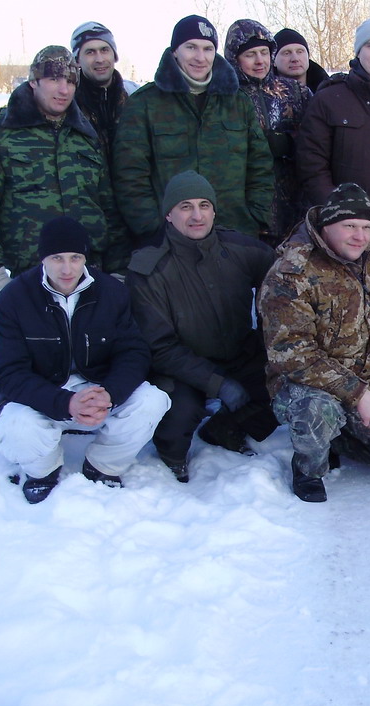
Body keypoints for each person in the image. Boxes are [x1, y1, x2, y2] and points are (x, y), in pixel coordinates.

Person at [258, 183, 370, 502]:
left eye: (366, 227)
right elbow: (293, 356)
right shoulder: (291, 274)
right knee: (317, 413)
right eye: (350, 226)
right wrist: (358, 395)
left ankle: (341, 436)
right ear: (327, 226)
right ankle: (308, 467)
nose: (360, 235)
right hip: (312, 386)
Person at [0, 216, 170, 504]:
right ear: (43, 258)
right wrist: (65, 402)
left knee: (153, 401)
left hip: (98, 391)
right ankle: (42, 471)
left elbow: (133, 352)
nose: (67, 268)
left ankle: (103, 466)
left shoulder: (111, 291)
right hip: (46, 395)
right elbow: (10, 372)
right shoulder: (15, 298)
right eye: (57, 258)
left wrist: (109, 393)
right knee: (16, 426)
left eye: (75, 257)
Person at [127, 172, 279, 483]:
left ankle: (226, 428)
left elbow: (284, 283)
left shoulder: (241, 249)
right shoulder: (149, 269)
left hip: (239, 353)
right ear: (169, 214)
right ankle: (171, 454)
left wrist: (270, 336)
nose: (197, 216)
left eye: (204, 205)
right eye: (185, 207)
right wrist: (218, 383)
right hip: (181, 365)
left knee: (287, 385)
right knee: (178, 411)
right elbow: (159, 347)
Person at [0, 45, 128, 307]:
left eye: (71, 81)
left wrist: (117, 271)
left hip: (91, 278)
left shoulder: (86, 138)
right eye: (54, 79)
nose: (64, 89)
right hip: (30, 282)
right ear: (34, 82)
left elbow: (109, 208)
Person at [113, 15, 274, 244]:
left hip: (233, 236)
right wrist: (151, 228)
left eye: (208, 49)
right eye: (191, 47)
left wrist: (254, 216)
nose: (200, 57)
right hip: (168, 241)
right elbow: (129, 175)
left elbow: (260, 166)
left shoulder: (237, 103)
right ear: (175, 51)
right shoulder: (144, 104)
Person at [296, 18, 370, 249]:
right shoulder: (330, 98)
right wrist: (335, 211)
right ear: (358, 51)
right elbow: (311, 164)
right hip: (346, 231)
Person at [225, 19, 311, 243]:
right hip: (247, 205)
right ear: (235, 58)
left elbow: (315, 138)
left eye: (264, 52)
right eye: (250, 54)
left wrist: (291, 143)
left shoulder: (294, 90)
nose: (260, 60)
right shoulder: (226, 96)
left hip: (294, 204)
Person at [70, 22, 138, 167]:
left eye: (105, 50)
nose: (99, 59)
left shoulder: (136, 97)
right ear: (77, 60)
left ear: (115, 55)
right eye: (90, 52)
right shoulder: (68, 102)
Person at [273, 28, 328, 93]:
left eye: (300, 52)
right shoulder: (262, 97)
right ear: (273, 61)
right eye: (286, 53)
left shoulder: (330, 92)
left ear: (308, 56)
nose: (295, 59)